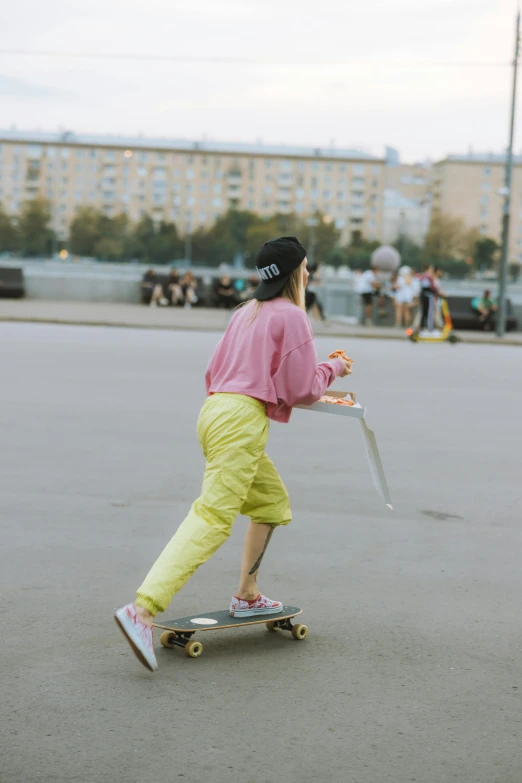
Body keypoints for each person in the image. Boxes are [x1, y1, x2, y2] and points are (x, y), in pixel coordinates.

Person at [114, 236, 353, 672]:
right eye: (306, 269)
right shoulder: (293, 317)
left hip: (214, 411)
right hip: (241, 420)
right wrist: (335, 366)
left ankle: (247, 594)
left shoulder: (246, 311)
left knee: (270, 503)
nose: (308, 274)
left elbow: (213, 370)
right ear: (298, 274)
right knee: (212, 517)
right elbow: (301, 389)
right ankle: (142, 611)